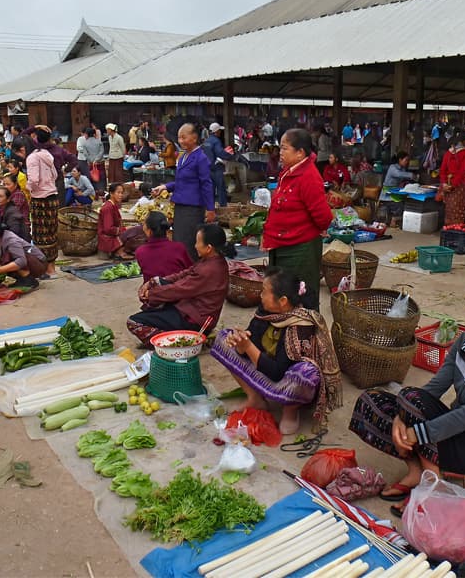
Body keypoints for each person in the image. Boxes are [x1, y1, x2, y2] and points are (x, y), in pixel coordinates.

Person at [349, 284, 465, 517]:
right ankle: (416, 471)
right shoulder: (463, 344)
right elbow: (434, 389)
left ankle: (431, 484)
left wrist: (415, 433)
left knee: (411, 401)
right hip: (455, 431)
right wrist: (400, 417)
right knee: (371, 401)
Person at [210, 267, 342, 434]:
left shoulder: (301, 327)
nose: (261, 296)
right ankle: (255, 398)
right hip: (267, 369)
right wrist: (240, 343)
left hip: (289, 381)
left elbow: (278, 372)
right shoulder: (266, 312)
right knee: (224, 338)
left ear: (283, 301)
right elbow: (252, 340)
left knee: (307, 372)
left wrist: (248, 347)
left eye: (265, 292)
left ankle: (290, 411)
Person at [262, 128, 333, 310]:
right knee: (282, 293)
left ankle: (304, 335)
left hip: (300, 248)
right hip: (282, 243)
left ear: (300, 152)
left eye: (285, 148)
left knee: (301, 295)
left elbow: (323, 217)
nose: (280, 153)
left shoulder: (309, 176)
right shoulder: (288, 171)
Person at [127, 223, 231, 345]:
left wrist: (151, 294)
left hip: (194, 321)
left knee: (133, 322)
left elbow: (179, 289)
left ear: (208, 248)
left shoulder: (209, 269)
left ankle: (175, 343)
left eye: (197, 242)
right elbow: (185, 273)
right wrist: (154, 281)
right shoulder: (212, 260)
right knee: (159, 290)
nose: (195, 246)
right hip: (189, 308)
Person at [152, 123, 215, 260]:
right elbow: (183, 181)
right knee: (179, 241)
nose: (180, 141)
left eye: (184, 137)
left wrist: (210, 208)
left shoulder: (200, 158)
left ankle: (191, 272)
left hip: (192, 208)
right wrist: (165, 187)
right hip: (180, 206)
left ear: (194, 137)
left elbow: (206, 184)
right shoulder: (183, 156)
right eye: (179, 138)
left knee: (188, 243)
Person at [26, 137, 59, 279]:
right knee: (52, 233)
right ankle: (52, 268)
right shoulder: (47, 155)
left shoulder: (32, 158)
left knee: (41, 236)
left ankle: (46, 270)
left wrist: (29, 188)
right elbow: (56, 174)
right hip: (52, 196)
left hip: (40, 199)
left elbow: (33, 179)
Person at [134, 210, 192, 283]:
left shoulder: (140, 252)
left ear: (149, 231)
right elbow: (191, 270)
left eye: (144, 224)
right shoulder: (179, 247)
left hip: (153, 292)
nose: (143, 226)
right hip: (178, 290)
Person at [97, 183, 146, 260]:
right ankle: (119, 250)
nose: (120, 195)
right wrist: (125, 229)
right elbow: (108, 229)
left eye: (122, 193)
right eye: (118, 192)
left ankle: (122, 249)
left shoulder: (113, 205)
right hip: (107, 239)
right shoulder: (108, 208)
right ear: (111, 193)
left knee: (139, 228)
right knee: (138, 230)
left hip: (113, 235)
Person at [439, 135, 465, 225]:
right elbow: (462, 171)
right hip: (459, 185)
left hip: (447, 184)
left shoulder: (448, 153)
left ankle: (448, 229)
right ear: (463, 141)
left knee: (449, 209)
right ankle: (457, 229)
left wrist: (444, 184)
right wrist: (452, 185)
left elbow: (442, 171)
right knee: (459, 209)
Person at [203, 122, 235, 207]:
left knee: (210, 190)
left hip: (208, 169)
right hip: (217, 168)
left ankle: (210, 208)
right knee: (221, 188)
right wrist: (230, 155)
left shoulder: (206, 141)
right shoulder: (216, 141)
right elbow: (220, 153)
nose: (220, 132)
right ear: (216, 131)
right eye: (219, 131)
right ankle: (223, 207)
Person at [1, 172, 31, 240]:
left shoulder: (18, 194)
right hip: (11, 224)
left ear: (15, 185)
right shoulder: (8, 195)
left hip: (21, 228)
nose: (5, 187)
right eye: (4, 184)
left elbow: (11, 212)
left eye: (8, 184)